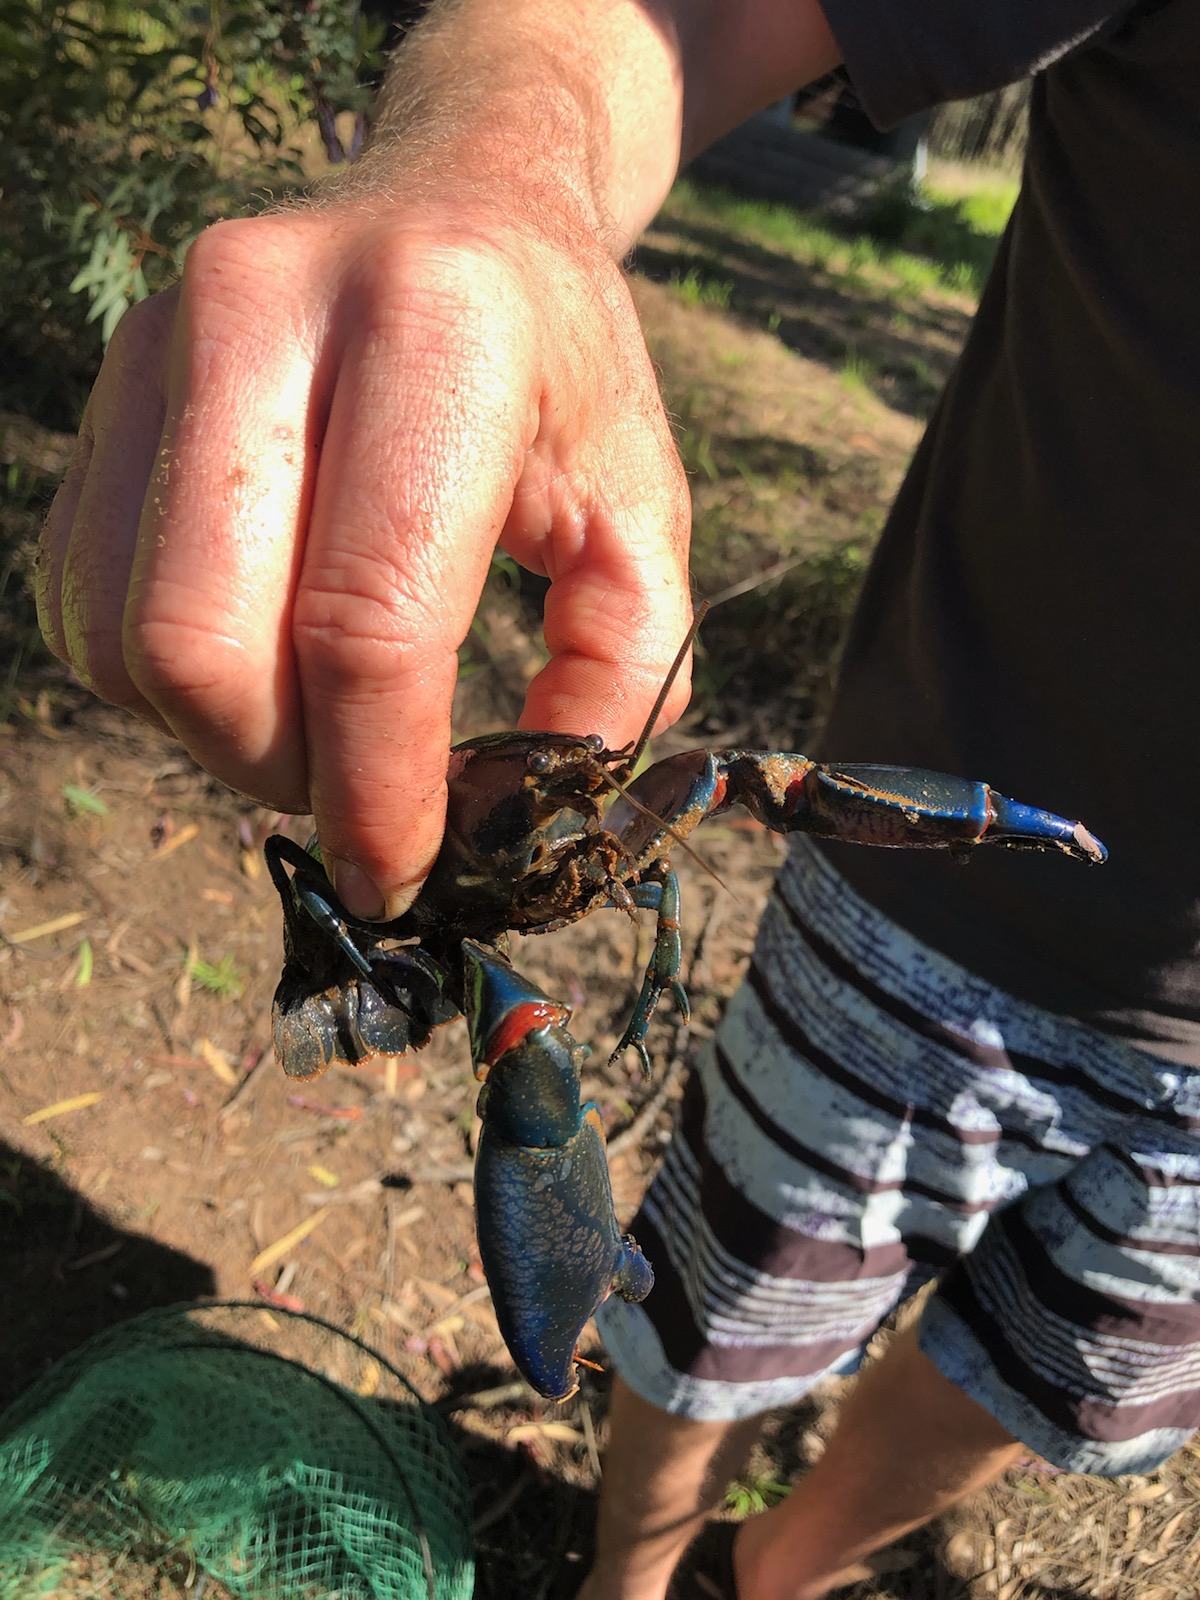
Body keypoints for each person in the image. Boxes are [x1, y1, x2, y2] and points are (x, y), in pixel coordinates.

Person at [37, 2, 1200, 1598]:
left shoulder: (595, 816)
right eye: (588, 793)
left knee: (1069, 1371)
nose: (612, 799)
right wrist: (498, 160)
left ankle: (774, 1570)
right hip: (926, 941)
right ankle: (632, 1567)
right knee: (653, 1205)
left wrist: (645, 929)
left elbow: (666, 835)